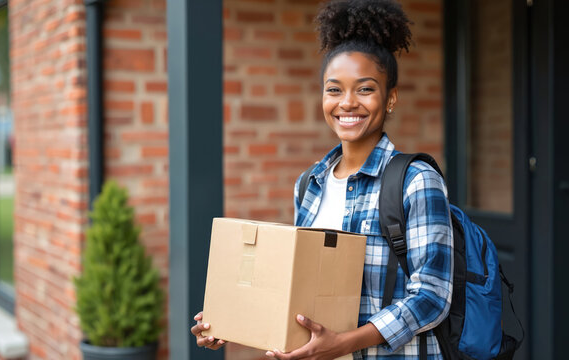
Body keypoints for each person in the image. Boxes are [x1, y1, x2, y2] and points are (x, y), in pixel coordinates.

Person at [192, 0, 454, 358]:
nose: (347, 103)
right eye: (334, 89)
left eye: (365, 89)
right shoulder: (309, 184)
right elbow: (299, 288)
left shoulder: (416, 180)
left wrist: (343, 343)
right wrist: (233, 318)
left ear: (390, 98)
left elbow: (432, 296)